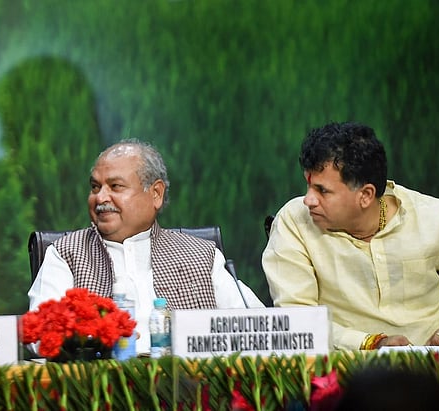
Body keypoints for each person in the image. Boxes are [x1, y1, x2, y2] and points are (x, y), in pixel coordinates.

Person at [28, 139, 264, 354]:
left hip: (190, 383)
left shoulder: (201, 256)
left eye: (115, 186)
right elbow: (40, 336)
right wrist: (96, 340)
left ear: (156, 194)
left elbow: (257, 328)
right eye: (95, 187)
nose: (100, 198)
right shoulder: (66, 253)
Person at [262, 121, 439, 350]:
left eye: (322, 191)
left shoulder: (438, 219)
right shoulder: (294, 223)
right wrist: (372, 344)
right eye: (309, 187)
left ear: (366, 195)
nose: (309, 200)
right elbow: (299, 322)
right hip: (346, 367)